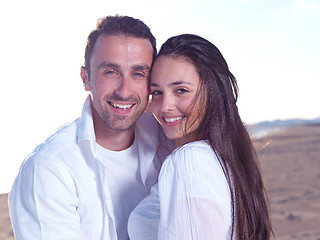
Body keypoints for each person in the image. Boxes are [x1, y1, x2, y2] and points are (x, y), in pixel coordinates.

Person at [9, 15, 170, 240]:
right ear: (86, 78)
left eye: (138, 74)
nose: (124, 91)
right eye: (111, 72)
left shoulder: (169, 139)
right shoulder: (49, 170)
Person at [128, 34, 272, 239]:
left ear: (213, 92)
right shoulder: (224, 160)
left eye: (181, 90)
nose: (165, 106)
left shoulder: (189, 161)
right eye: (157, 92)